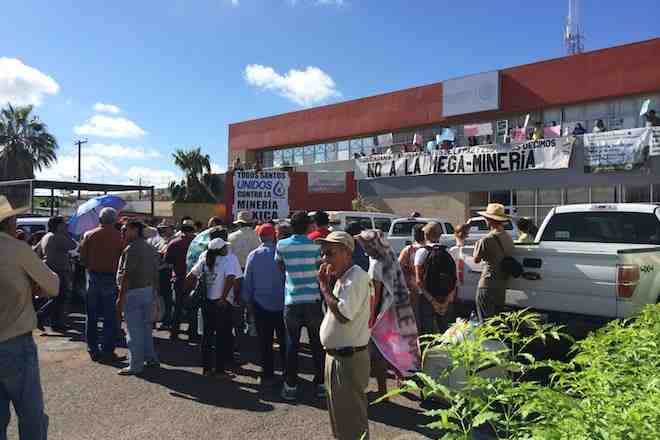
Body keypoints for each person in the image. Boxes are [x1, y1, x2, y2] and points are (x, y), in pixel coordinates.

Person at [0, 196, 60, 440]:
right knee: (31, 414)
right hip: (14, 342)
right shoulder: (16, 249)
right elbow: (53, 286)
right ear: (10, 221)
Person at [316, 232, 372, 440]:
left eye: (330, 253)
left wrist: (324, 286)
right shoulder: (344, 277)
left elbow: (343, 314)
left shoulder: (355, 277)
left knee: (352, 421)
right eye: (323, 253)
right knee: (341, 420)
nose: (325, 258)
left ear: (347, 254)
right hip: (339, 356)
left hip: (347, 358)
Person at [275, 211, 325, 401]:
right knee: (316, 344)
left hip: (292, 301)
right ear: (308, 226)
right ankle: (321, 384)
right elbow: (319, 268)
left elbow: (280, 268)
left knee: (292, 345)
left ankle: (290, 386)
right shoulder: (315, 247)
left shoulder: (282, 245)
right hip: (312, 299)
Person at [186, 238, 241, 378]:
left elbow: (190, 276)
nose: (226, 249)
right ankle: (220, 371)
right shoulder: (226, 260)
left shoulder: (205, 259)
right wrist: (223, 298)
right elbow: (230, 278)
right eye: (224, 247)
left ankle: (206, 369)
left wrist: (190, 291)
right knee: (221, 337)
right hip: (221, 303)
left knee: (207, 336)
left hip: (207, 302)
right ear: (220, 250)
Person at [243, 224, 286, 386]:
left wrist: (247, 304)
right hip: (283, 304)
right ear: (274, 235)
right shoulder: (282, 253)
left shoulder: (254, 255)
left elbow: (248, 282)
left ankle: (267, 374)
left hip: (260, 305)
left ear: (260, 237)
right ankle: (288, 374)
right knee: (284, 341)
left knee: (265, 342)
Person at [79, 207, 124, 362]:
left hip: (92, 277)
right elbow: (122, 259)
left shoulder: (89, 235)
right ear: (114, 220)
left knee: (91, 315)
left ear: (100, 219)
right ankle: (107, 350)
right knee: (110, 316)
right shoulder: (119, 237)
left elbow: (82, 258)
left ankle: (93, 348)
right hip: (110, 278)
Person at [116, 220, 160, 375]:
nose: (122, 232)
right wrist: (155, 293)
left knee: (134, 331)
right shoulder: (149, 247)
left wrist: (120, 298)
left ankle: (135, 365)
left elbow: (127, 275)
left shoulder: (133, 248)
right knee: (146, 328)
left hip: (133, 292)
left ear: (134, 230)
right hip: (147, 290)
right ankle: (151, 358)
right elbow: (156, 273)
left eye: (125, 229)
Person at [473, 203, 515, 321]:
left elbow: (476, 259)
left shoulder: (486, 239)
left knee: (485, 323)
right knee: (496, 324)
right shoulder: (508, 238)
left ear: (489, 220)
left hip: (487, 284)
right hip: (501, 286)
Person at [36, 216, 77, 331]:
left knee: (56, 296)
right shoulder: (57, 237)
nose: (66, 226)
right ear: (59, 226)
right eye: (64, 224)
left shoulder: (47, 236)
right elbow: (73, 245)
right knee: (60, 297)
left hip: (51, 269)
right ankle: (41, 315)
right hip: (59, 271)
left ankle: (56, 323)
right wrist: (67, 233)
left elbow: (37, 251)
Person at [414, 222, 455, 334]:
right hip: (445, 297)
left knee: (427, 334)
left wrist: (433, 302)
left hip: (427, 299)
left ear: (425, 235)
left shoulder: (421, 252)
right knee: (447, 334)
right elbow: (454, 279)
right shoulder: (448, 252)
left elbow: (418, 280)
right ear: (439, 235)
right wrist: (446, 301)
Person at [165, 219, 197, 341]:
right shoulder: (197, 244)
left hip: (178, 278)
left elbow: (167, 261)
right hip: (193, 279)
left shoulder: (173, 243)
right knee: (192, 308)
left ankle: (174, 333)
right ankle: (192, 334)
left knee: (177, 307)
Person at [399, 224, 426, 327]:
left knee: (415, 317)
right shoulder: (430, 249)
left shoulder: (409, 249)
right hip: (428, 289)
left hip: (412, 288)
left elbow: (398, 268)